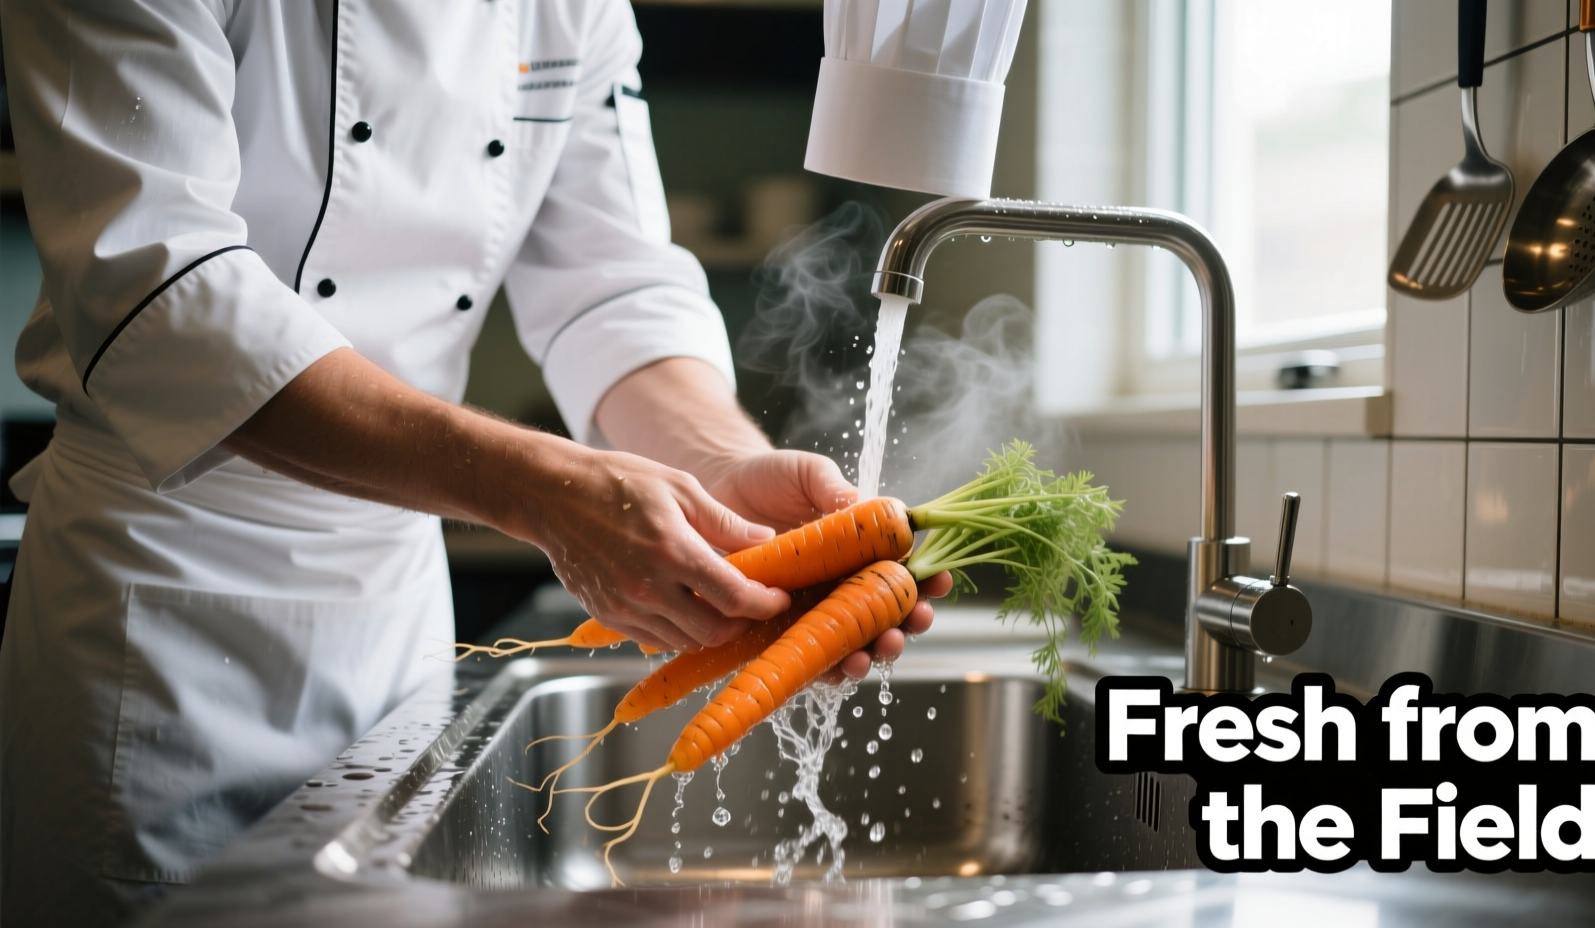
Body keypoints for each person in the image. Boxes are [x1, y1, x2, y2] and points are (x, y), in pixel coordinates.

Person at [0, 2, 945, 924]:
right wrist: (540, 488)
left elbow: (613, 290)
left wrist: (725, 465)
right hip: (163, 613)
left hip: (399, 615)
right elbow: (160, 290)